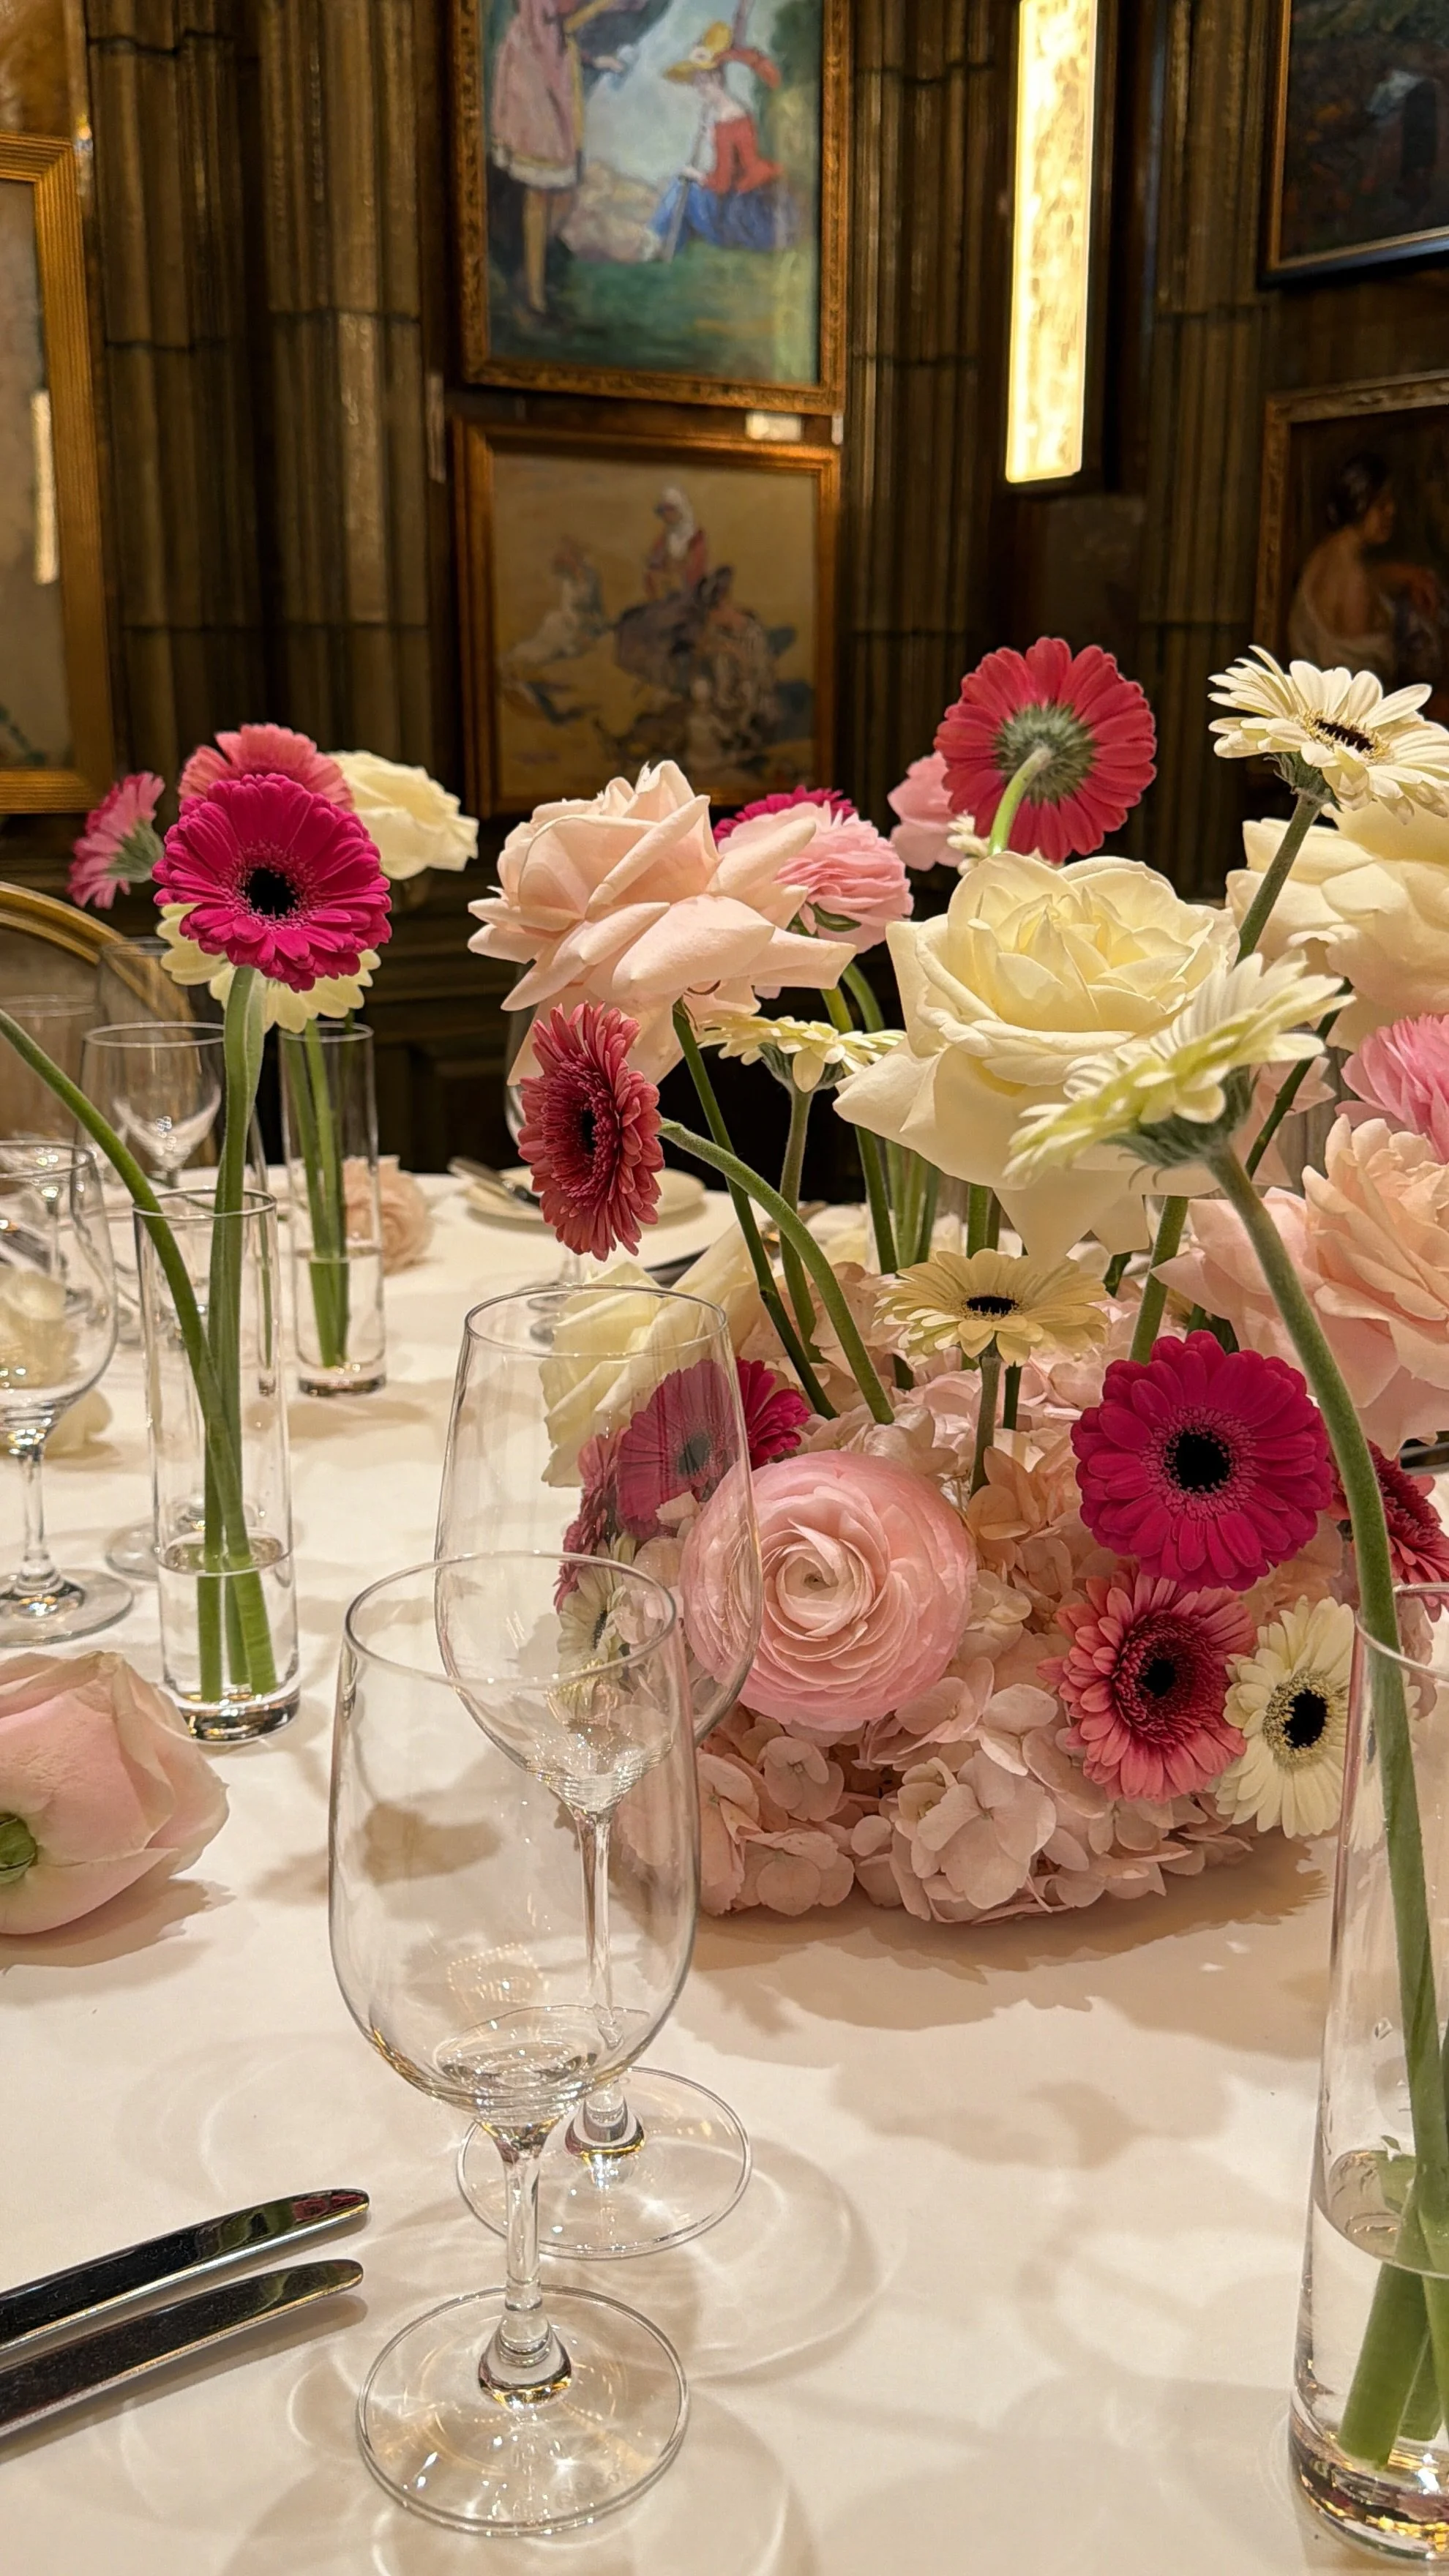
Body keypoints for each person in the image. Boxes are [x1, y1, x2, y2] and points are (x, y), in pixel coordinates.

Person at [490, 0, 640, 315]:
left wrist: (594, 60)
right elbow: (553, 22)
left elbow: (558, 30)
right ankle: (533, 293)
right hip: (533, 77)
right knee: (541, 189)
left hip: (551, 66)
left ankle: (533, 276)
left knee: (559, 191)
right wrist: (602, 5)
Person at [648, 17, 797, 257]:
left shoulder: (727, 119)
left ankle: (659, 243)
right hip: (749, 202)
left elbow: (722, 182)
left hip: (748, 214)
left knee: (682, 185)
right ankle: (665, 247)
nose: (698, 88)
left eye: (702, 82)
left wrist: (696, 173)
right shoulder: (736, 112)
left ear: (717, 79)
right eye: (696, 82)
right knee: (683, 186)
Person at [1287, 453, 1441, 684]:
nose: (1391, 511)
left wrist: (1409, 575)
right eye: (1381, 504)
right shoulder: (1353, 579)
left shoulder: (1326, 554)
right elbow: (1366, 677)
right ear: (1359, 503)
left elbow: (1373, 579)